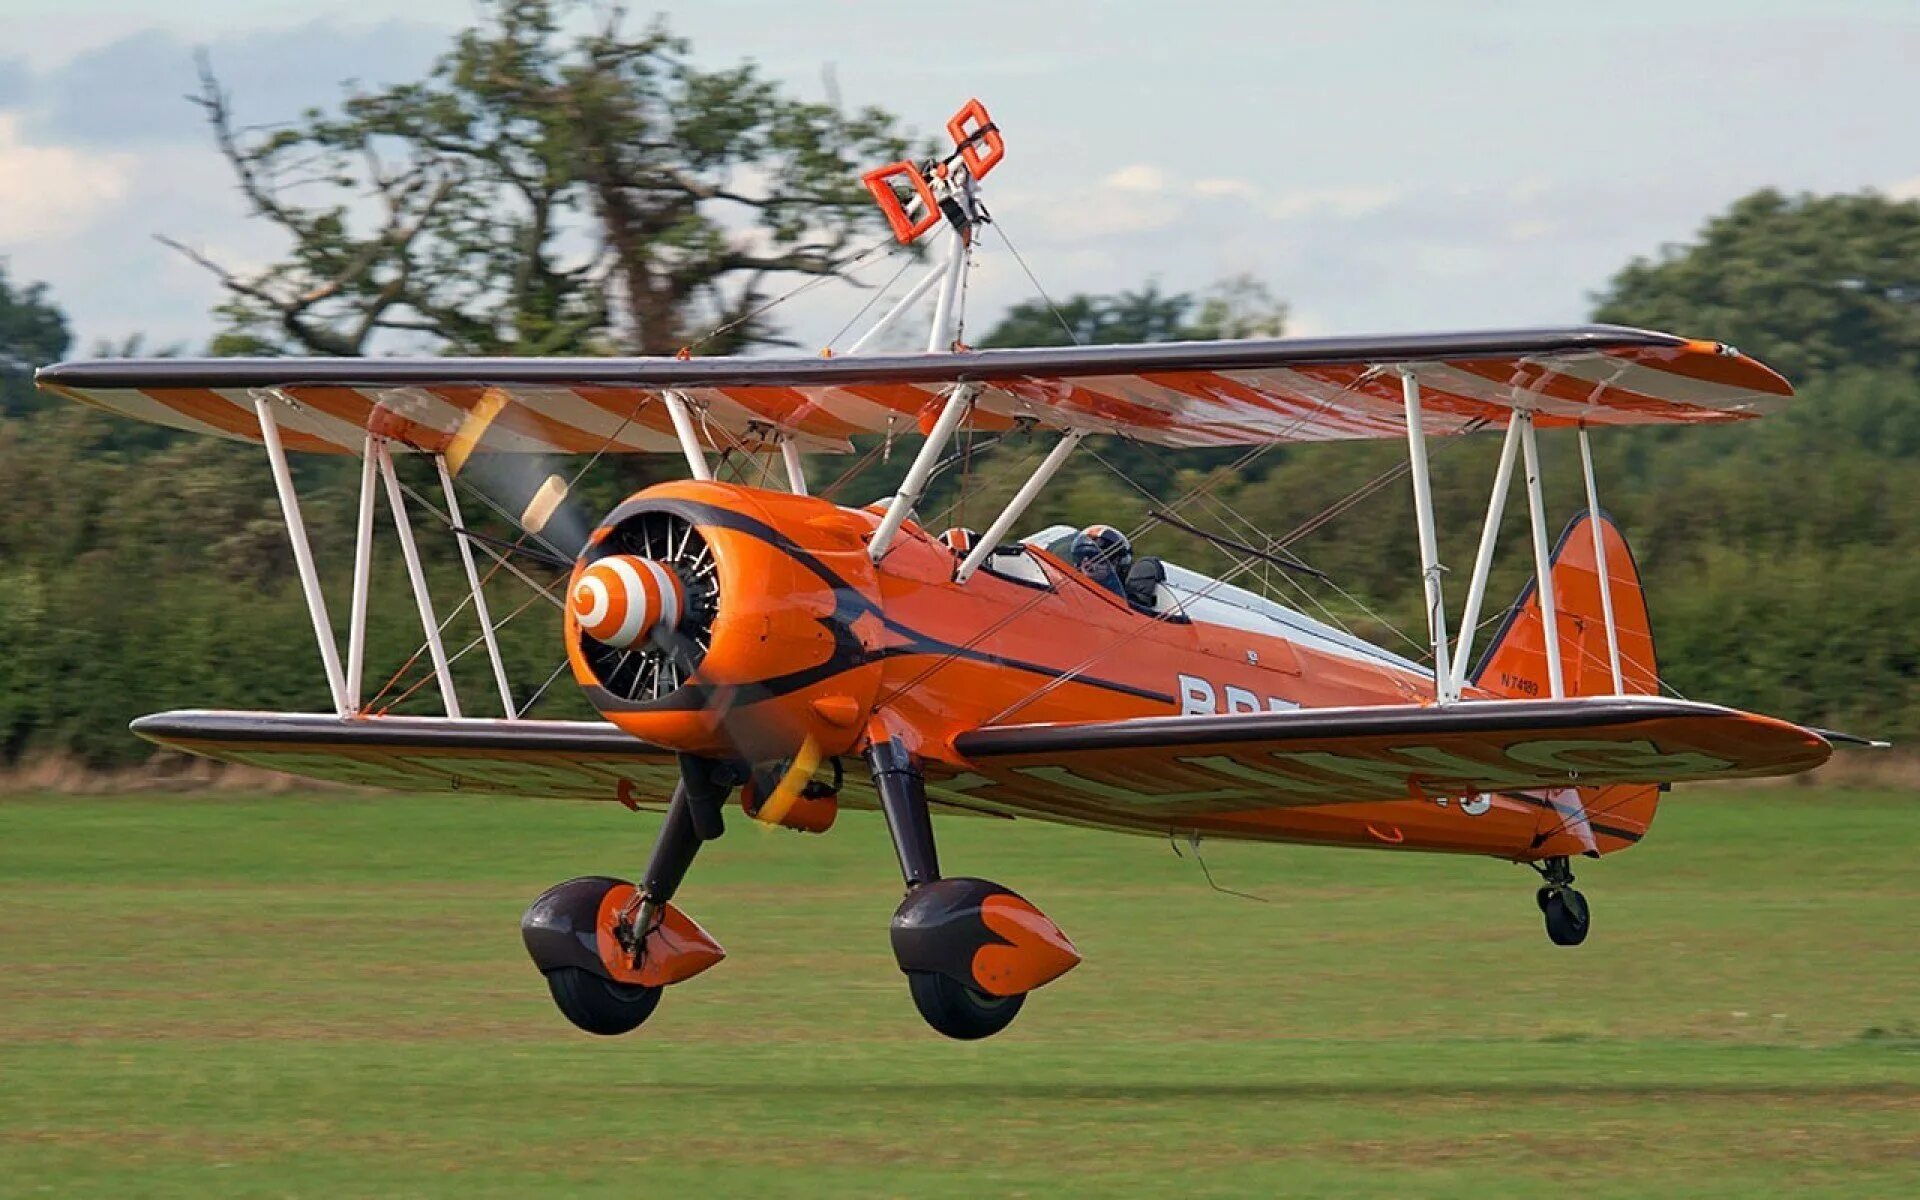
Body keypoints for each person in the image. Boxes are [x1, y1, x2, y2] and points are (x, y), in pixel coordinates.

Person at [1068, 524, 1133, 599]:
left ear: (1116, 563)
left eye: (1094, 556)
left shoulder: (1127, 602)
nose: (1086, 562)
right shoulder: (1067, 590)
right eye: (1080, 556)